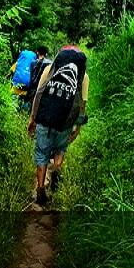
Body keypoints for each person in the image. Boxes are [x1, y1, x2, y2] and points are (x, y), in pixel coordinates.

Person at [27, 45, 89, 205]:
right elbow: (82, 104)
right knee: (60, 149)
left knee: (41, 153)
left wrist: (33, 118)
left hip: (46, 117)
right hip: (66, 122)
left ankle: (40, 189)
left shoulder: (49, 68)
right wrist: (78, 127)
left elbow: (39, 93)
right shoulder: (83, 76)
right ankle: (56, 170)